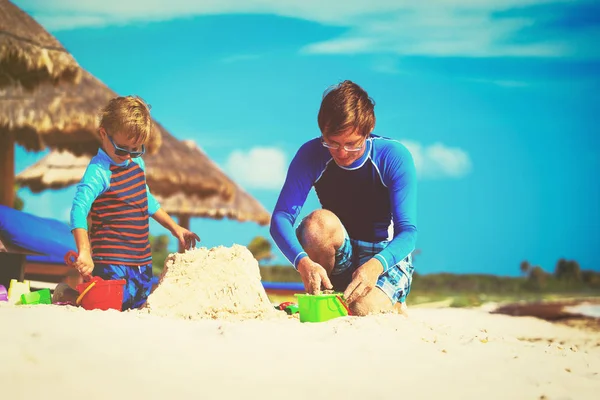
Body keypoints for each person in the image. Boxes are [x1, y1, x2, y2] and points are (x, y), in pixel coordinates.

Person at [269, 80, 417, 316]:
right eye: (333, 143)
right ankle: (326, 293)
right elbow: (281, 218)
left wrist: (376, 265)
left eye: (352, 144)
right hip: (342, 249)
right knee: (317, 224)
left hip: (382, 254)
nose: (341, 153)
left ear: (367, 133)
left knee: (361, 309)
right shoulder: (311, 154)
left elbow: (408, 231)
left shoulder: (393, 156)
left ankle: (394, 302)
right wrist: (303, 262)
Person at [68, 95, 200, 310]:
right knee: (110, 306)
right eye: (122, 149)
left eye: (136, 149)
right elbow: (78, 210)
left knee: (138, 304)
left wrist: (175, 228)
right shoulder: (99, 172)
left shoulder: (137, 164)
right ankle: (69, 295)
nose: (128, 155)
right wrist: (84, 250)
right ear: (103, 134)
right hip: (111, 260)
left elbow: (146, 200)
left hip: (141, 261)